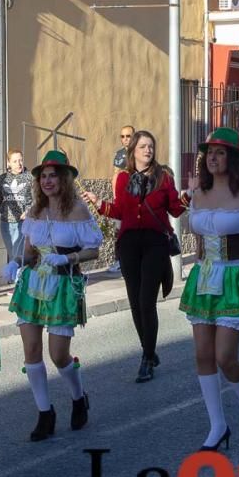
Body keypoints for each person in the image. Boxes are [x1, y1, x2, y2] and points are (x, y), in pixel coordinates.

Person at [179, 128, 239, 451]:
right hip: (205, 277)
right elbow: (198, 239)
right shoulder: (198, 194)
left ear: (232, 158)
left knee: (225, 357)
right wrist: (195, 269)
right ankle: (217, 425)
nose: (212, 158)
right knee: (202, 355)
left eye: (220, 153)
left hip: (236, 276)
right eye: (209, 153)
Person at [5, 151, 101, 440]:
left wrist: (69, 258)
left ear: (65, 179)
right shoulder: (35, 212)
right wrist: (15, 262)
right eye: (43, 176)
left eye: (53, 175)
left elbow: (93, 250)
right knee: (31, 351)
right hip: (33, 285)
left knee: (58, 355)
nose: (47, 181)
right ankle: (44, 413)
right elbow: (30, 252)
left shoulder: (79, 211)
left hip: (62, 285)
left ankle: (78, 396)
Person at [83, 131, 185, 382]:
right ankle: (148, 348)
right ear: (133, 151)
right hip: (128, 243)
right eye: (142, 147)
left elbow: (174, 209)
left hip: (155, 243)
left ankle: (147, 358)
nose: (147, 150)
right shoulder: (122, 179)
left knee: (146, 301)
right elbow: (119, 211)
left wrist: (188, 196)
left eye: (150, 146)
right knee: (135, 301)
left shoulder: (164, 177)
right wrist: (99, 203)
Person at [0, 149, 33, 263]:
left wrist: (29, 210)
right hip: (6, 223)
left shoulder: (29, 177)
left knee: (19, 254)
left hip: (23, 222)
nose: (19, 164)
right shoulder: (3, 178)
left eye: (20, 160)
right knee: (12, 254)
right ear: (8, 162)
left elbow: (39, 199)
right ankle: (15, 278)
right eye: (15, 161)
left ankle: (19, 279)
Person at [107, 126, 135, 274]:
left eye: (128, 136)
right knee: (120, 231)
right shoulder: (120, 154)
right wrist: (116, 197)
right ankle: (119, 260)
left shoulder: (141, 151)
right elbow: (115, 176)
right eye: (122, 136)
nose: (125, 139)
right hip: (123, 200)